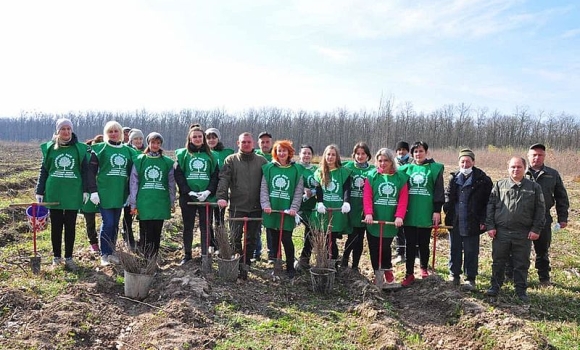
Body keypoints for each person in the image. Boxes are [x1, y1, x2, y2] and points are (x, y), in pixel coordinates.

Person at [507, 143, 569, 286]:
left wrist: (563, 218)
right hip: (521, 218)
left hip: (543, 218)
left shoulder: (552, 174)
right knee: (515, 248)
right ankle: (510, 275)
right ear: (528, 157)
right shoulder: (520, 172)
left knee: (542, 249)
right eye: (534, 155)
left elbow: (561, 197)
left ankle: (544, 278)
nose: (537, 157)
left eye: (540, 155)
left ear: (544, 157)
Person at [485, 157, 545, 303]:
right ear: (508, 168)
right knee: (498, 261)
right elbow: (490, 206)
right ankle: (495, 286)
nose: (515, 170)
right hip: (501, 232)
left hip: (523, 233)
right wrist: (490, 226)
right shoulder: (500, 185)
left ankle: (521, 290)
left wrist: (536, 229)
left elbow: (540, 210)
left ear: (525, 168)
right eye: (513, 167)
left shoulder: (534, 187)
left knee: (521, 263)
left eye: (519, 167)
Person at [35, 118, 92, 271]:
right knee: (56, 225)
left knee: (70, 225)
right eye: (63, 129)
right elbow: (44, 170)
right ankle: (56, 257)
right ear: (58, 131)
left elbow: (85, 171)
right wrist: (39, 190)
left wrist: (86, 189)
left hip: (73, 192)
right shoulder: (50, 148)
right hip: (54, 192)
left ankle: (69, 257)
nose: (66, 132)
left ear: (71, 130)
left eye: (68, 129)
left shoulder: (80, 148)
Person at [217, 132, 268, 279]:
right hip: (237, 206)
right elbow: (224, 179)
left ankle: (246, 264)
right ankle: (237, 263)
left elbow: (267, 183)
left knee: (252, 238)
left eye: (248, 142)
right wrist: (222, 197)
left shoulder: (262, 161)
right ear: (238, 143)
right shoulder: (231, 160)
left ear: (253, 144)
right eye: (243, 142)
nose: (246, 144)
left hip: (255, 207)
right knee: (235, 237)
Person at [89, 121, 137, 266]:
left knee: (115, 224)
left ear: (121, 133)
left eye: (116, 131)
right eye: (110, 131)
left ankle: (112, 251)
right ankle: (104, 254)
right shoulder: (99, 149)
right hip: (104, 192)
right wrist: (93, 191)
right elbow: (91, 172)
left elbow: (133, 174)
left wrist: (130, 193)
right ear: (106, 134)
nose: (114, 134)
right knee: (108, 222)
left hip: (120, 193)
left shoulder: (128, 151)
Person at [443, 149, 492, 291]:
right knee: (455, 248)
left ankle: (470, 278)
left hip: (473, 221)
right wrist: (448, 211)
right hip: (456, 220)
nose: (465, 164)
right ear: (459, 162)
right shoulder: (454, 178)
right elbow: (448, 196)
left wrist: (484, 219)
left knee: (471, 250)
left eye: (468, 161)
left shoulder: (483, 180)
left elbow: (488, 202)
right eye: (462, 161)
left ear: (473, 162)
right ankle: (454, 275)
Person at [398, 141, 444, 287]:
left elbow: (439, 191)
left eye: (421, 151)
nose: (418, 154)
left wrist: (437, 210)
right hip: (410, 212)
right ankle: (409, 273)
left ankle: (424, 268)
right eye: (415, 151)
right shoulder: (405, 169)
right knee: (410, 243)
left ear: (426, 152)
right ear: (412, 154)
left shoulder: (434, 169)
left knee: (424, 243)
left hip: (426, 211)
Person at [174, 124, 219, 265]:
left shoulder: (211, 156)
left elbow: (215, 176)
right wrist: (188, 191)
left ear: (203, 138)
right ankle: (187, 255)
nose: (198, 139)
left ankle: (205, 254)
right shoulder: (183, 154)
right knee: (188, 226)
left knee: (206, 225)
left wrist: (208, 191)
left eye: (200, 136)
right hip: (188, 197)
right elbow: (179, 174)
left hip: (206, 197)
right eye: (195, 137)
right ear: (190, 138)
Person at [363, 148, 409, 284]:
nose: (383, 163)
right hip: (374, 219)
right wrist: (369, 213)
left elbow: (403, 199)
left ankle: (387, 269)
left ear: (391, 161)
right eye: (380, 161)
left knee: (385, 246)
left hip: (390, 219)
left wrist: (399, 216)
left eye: (386, 161)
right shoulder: (372, 176)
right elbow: (367, 197)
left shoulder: (400, 178)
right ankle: (377, 273)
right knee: (374, 246)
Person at [260, 140, 304, 278]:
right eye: (279, 150)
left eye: (284, 150)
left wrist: (294, 208)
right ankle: (277, 264)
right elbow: (264, 189)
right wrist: (266, 205)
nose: (282, 153)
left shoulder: (296, 170)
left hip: (287, 212)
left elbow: (298, 191)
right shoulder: (269, 168)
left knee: (286, 238)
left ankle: (290, 266)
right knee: (273, 239)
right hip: (272, 210)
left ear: (289, 152)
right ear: (275, 152)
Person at [129, 132, 176, 258]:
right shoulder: (140, 160)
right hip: (144, 201)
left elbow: (171, 183)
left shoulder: (167, 162)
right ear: (148, 143)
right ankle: (146, 258)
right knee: (145, 231)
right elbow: (134, 182)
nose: (155, 145)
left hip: (160, 201)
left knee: (157, 231)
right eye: (153, 142)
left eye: (158, 143)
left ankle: (154, 258)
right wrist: (133, 202)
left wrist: (172, 202)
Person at [311, 144, 352, 263]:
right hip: (323, 209)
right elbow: (318, 189)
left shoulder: (343, 172)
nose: (330, 157)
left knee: (332, 237)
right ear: (325, 156)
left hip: (337, 209)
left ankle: (333, 262)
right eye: (328, 154)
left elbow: (346, 189)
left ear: (337, 157)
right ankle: (323, 260)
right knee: (323, 236)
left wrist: (346, 202)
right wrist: (319, 202)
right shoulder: (320, 172)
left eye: (333, 154)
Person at [342, 142, 375, 272]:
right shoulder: (348, 167)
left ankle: (355, 265)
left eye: (363, 154)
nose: (360, 156)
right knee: (351, 236)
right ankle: (344, 260)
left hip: (364, 208)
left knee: (360, 238)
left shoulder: (372, 170)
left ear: (368, 155)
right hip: (351, 207)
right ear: (354, 155)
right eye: (358, 154)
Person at [205, 127, 234, 251]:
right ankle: (210, 243)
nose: (211, 140)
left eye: (214, 137)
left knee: (219, 219)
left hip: (221, 190)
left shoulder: (227, 152)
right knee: (207, 218)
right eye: (209, 138)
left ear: (218, 138)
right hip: (207, 190)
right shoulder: (203, 153)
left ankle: (220, 243)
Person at [121, 128, 146, 251]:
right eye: (135, 138)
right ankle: (128, 237)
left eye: (140, 138)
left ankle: (143, 240)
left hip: (143, 189)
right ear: (131, 140)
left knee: (141, 215)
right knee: (128, 214)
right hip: (129, 189)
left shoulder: (146, 152)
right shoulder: (127, 151)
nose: (138, 141)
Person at [295, 145, 318, 270]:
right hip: (296, 206)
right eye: (304, 153)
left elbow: (319, 186)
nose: (306, 155)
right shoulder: (295, 168)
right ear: (300, 154)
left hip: (310, 207)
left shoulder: (315, 170)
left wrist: (312, 192)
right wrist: (302, 189)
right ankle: (286, 259)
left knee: (310, 233)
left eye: (309, 153)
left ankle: (304, 260)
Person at [81, 134, 104, 253]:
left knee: (106, 218)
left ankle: (104, 241)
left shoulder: (106, 154)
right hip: (89, 190)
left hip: (103, 189)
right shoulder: (86, 154)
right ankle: (93, 242)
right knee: (89, 218)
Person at [254, 131, 273, 261]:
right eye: (262, 142)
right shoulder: (254, 155)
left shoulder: (277, 155)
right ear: (258, 143)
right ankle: (256, 252)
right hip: (255, 195)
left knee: (271, 226)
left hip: (272, 196)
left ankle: (272, 254)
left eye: (267, 142)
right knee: (256, 225)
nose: (265, 144)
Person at [393, 141, 411, 264]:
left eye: (404, 150)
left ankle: (414, 253)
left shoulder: (412, 163)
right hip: (395, 198)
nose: (401, 152)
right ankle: (400, 252)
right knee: (398, 229)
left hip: (410, 198)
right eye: (399, 150)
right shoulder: (392, 163)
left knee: (409, 228)